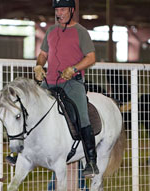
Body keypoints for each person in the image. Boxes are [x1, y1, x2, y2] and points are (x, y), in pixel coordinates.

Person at [33, 0, 98, 177]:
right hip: (50, 81)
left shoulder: (81, 32)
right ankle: (23, 150)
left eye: (62, 9)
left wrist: (74, 68)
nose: (58, 13)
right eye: (57, 10)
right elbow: (43, 54)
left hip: (72, 82)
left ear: (71, 10)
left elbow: (91, 57)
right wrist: (39, 66)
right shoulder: (51, 31)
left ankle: (91, 161)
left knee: (82, 115)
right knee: (31, 107)